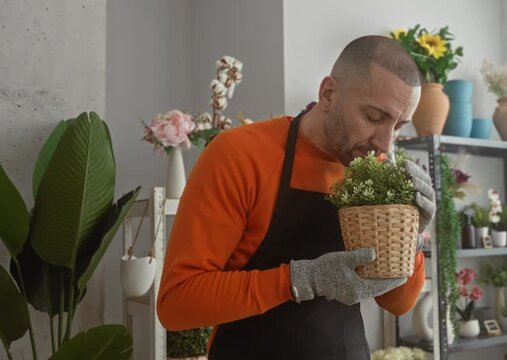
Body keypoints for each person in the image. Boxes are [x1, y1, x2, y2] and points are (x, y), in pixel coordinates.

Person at [157, 35, 437, 360]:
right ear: (328, 93)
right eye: (374, 118)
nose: (386, 143)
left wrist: (410, 238)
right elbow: (176, 304)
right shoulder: (240, 155)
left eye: (400, 125)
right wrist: (301, 279)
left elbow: (397, 304)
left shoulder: (373, 172)